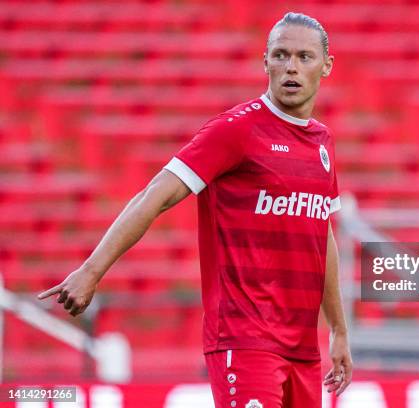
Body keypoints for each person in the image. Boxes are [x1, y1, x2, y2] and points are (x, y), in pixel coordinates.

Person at [38, 12, 352, 407]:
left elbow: (319, 233)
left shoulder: (323, 143)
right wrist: (91, 271)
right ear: (265, 61)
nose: (291, 66)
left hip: (303, 350)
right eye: (280, 55)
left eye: (304, 57)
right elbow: (155, 194)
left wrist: (339, 329)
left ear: (326, 66)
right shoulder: (236, 130)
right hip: (245, 341)